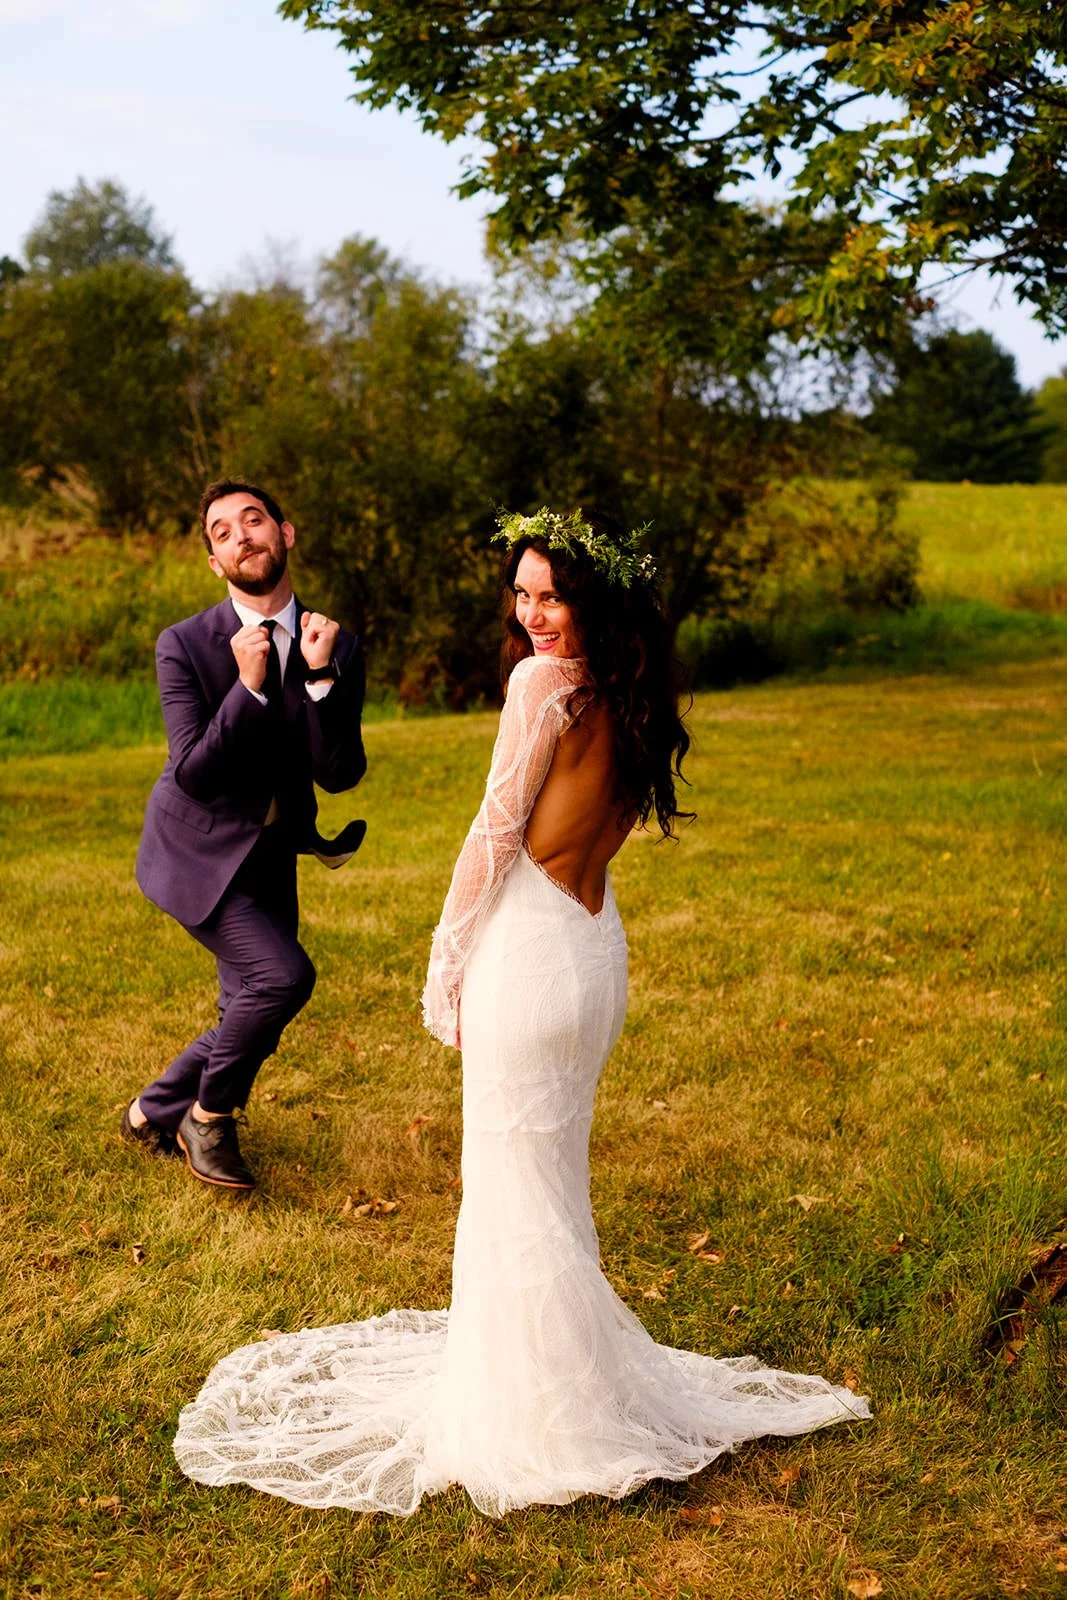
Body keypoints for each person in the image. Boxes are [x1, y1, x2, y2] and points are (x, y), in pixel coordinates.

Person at [172, 509, 868, 1511]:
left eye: (553, 595)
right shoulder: (628, 689)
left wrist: (445, 957)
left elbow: (495, 833)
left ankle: (535, 1421)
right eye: (524, 593)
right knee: (550, 1184)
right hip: (594, 951)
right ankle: (572, 1388)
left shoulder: (540, 685)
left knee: (510, 1186)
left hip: (531, 955)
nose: (533, 614)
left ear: (593, 601)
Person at [123, 479, 367, 1191]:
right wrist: (249, 687)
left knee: (249, 1006)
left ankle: (150, 1112)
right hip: (195, 850)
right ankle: (207, 1118)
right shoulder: (184, 645)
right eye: (222, 532)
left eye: (253, 520)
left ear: (284, 534)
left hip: (269, 850)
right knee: (282, 978)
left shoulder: (334, 641)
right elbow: (195, 773)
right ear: (215, 562)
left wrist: (319, 677)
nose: (241, 537)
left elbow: (339, 772)